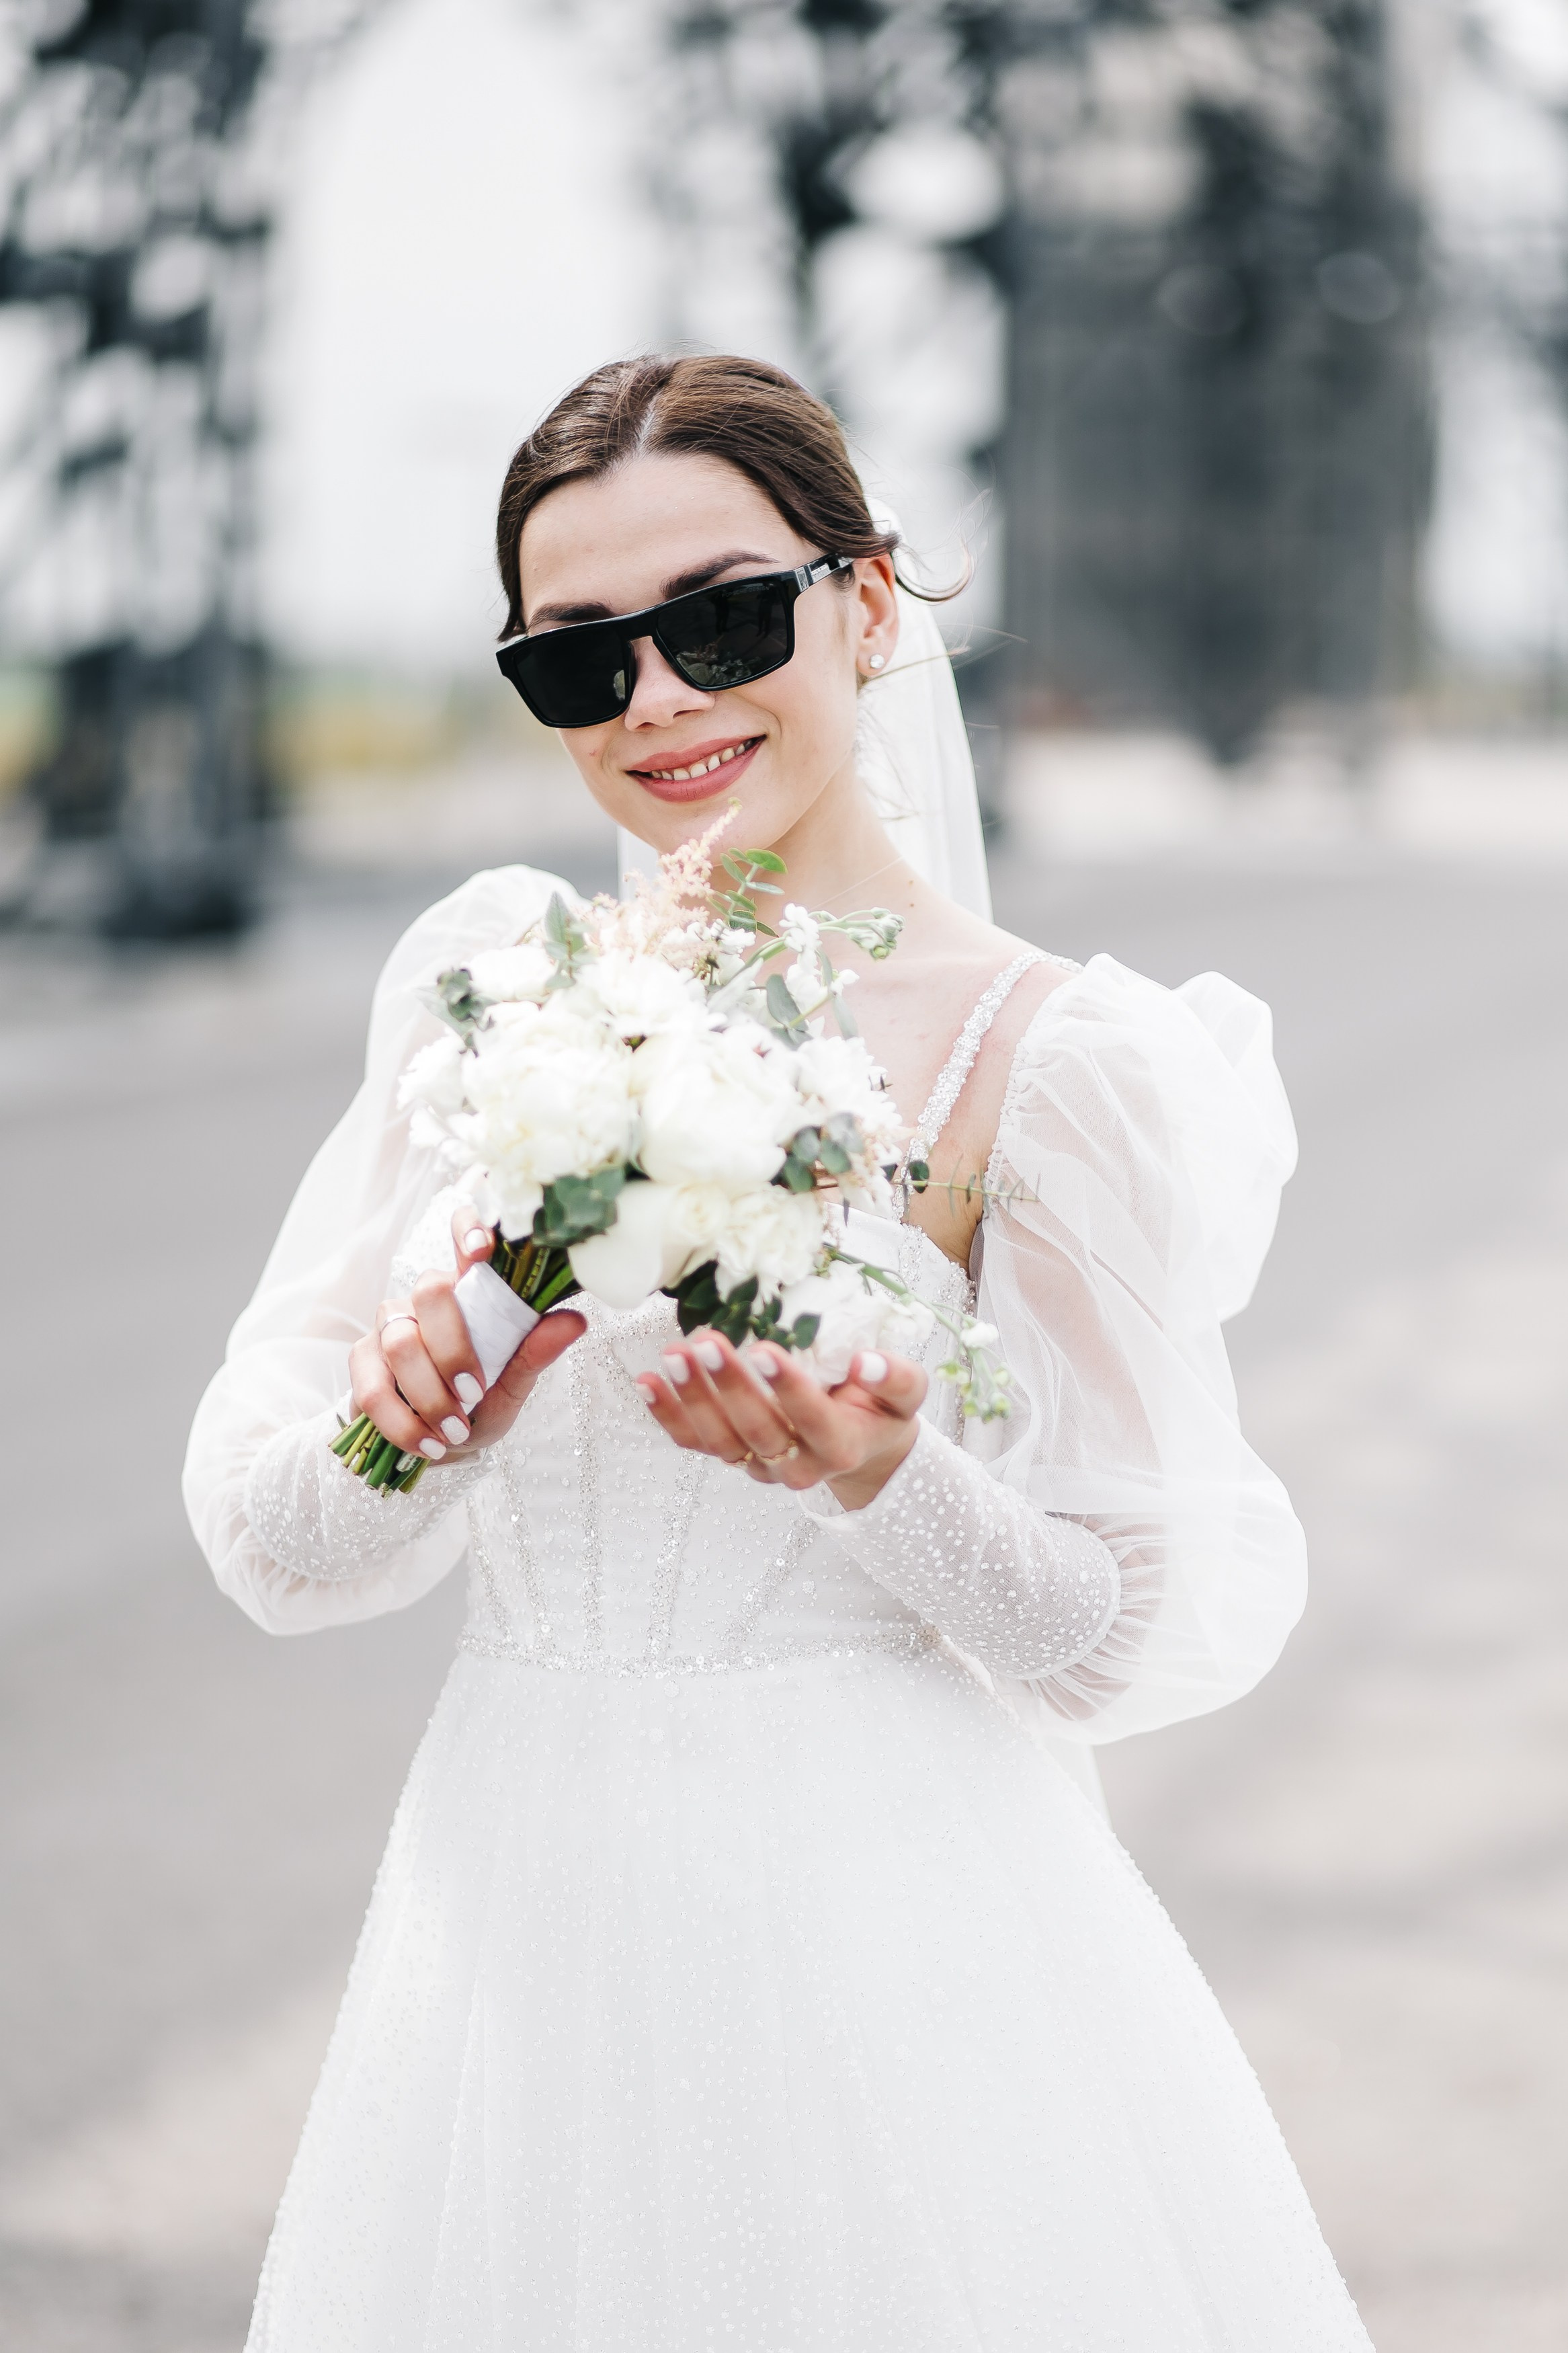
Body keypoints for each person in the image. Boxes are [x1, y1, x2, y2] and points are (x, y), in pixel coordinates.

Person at [184, 353, 1373, 2350]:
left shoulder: (1053, 1065)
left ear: (871, 602)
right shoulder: (493, 992)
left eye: (725, 618)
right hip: (504, 1929)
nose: (658, 700)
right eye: (579, 662)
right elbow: (277, 1547)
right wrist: (433, 1413)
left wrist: (882, 1477)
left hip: (886, 1940)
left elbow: (1123, 1633)